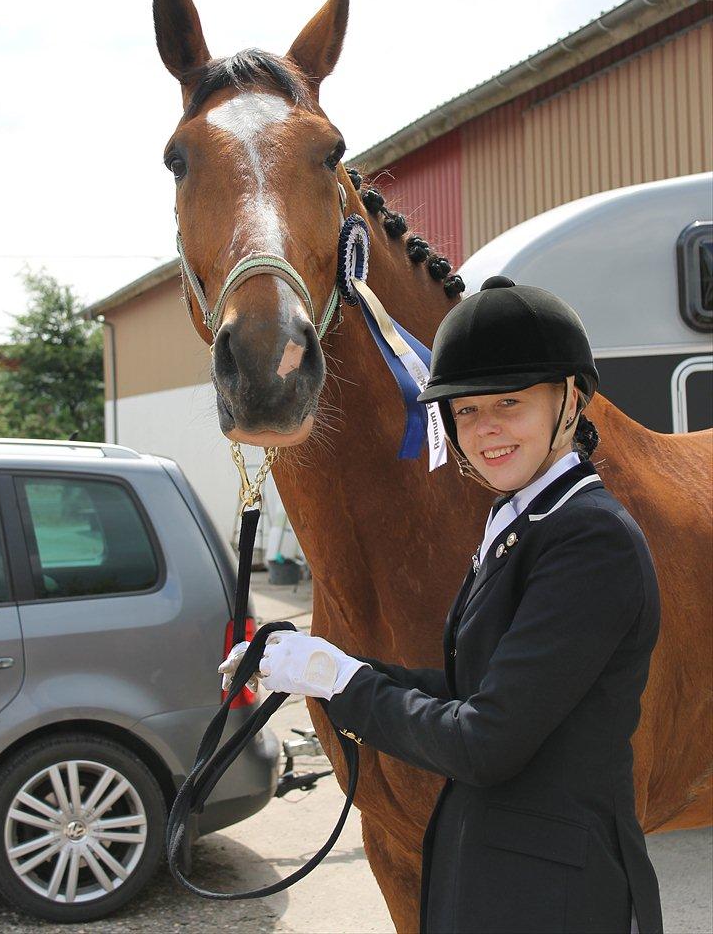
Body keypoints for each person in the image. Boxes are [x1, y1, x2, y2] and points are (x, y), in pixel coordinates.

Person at [219, 276, 664, 934]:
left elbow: (485, 741)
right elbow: (470, 690)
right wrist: (320, 661)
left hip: (552, 898)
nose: (485, 431)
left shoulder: (588, 540)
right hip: (498, 878)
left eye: (509, 404)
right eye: (465, 410)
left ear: (569, 401)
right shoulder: (526, 522)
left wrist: (341, 682)